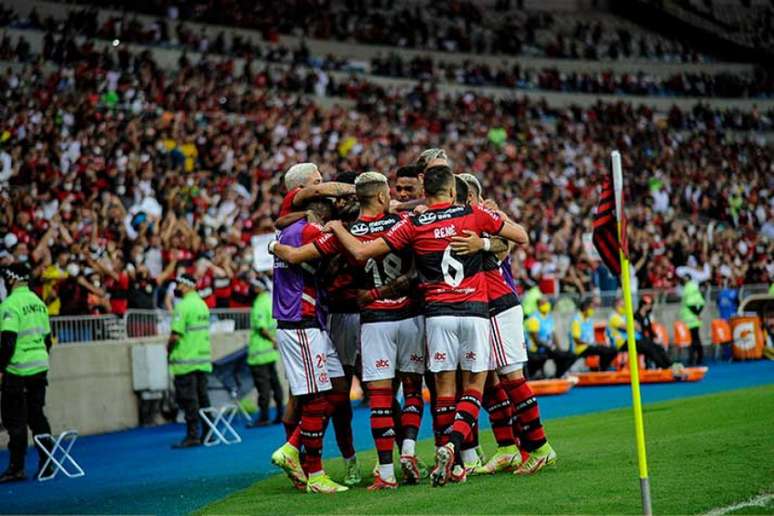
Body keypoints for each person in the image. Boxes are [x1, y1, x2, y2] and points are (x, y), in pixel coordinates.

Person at [325, 164, 530, 487]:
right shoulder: (472, 214)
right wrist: (483, 244)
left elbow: (361, 251)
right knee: (472, 386)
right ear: (451, 190)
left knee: (436, 392)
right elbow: (520, 236)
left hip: (428, 316)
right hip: (469, 311)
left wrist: (336, 227)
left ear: (424, 190)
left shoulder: (412, 223)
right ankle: (455, 450)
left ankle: (393, 469)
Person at [272, 172, 425, 490]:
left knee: (356, 392)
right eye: (327, 194)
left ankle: (392, 461)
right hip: (340, 316)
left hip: (357, 316)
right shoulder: (320, 225)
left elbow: (296, 245)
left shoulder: (340, 229)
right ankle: (342, 462)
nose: (334, 200)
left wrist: (277, 246)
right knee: (343, 396)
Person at [451, 174, 557, 475]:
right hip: (480, 309)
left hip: (497, 304)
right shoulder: (456, 220)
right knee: (489, 383)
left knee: (511, 378)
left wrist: (483, 240)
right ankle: (507, 448)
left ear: (470, 198)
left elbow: (516, 237)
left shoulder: (479, 216)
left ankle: (539, 447)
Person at [268, 198, 352, 494]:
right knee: (315, 398)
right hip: (300, 322)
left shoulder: (289, 230)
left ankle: (293, 449)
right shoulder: (309, 232)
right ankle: (315, 475)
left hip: (311, 322)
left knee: (338, 388)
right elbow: (345, 249)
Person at [0, 264, 53, 483]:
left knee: (15, 419)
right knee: (37, 415)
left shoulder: (10, 304)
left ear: (11, 280)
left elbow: (8, 342)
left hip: (17, 369)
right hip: (39, 368)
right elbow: (48, 340)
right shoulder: (39, 303)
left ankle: (16, 467)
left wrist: (1, 368)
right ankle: (47, 462)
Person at [168, 273, 212, 449]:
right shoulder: (202, 305)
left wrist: (168, 348)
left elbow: (176, 336)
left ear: (186, 286)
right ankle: (209, 433)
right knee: (203, 399)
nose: (177, 288)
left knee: (189, 401)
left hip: (186, 361)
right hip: (202, 360)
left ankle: (192, 435)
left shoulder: (183, 306)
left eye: (179, 284)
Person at [609, 297, 683, 374]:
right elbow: (629, 327)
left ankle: (670, 365)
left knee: (656, 346)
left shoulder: (624, 316)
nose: (625, 305)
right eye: (622, 303)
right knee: (648, 347)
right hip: (622, 343)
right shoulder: (614, 317)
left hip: (632, 339)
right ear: (617, 305)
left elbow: (638, 327)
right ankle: (665, 367)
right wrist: (633, 325)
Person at [246, 276, 283, 428]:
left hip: (259, 354)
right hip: (269, 353)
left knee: (264, 387)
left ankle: (264, 416)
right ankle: (281, 412)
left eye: (254, 286)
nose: (251, 290)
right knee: (275, 384)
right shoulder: (270, 301)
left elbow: (262, 328)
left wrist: (272, 340)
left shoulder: (259, 304)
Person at [525, 298, 575, 378]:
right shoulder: (534, 319)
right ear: (538, 306)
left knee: (568, 355)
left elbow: (553, 335)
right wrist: (551, 347)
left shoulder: (549, 318)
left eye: (547, 303)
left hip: (548, 348)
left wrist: (559, 349)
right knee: (558, 354)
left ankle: (559, 374)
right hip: (536, 350)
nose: (546, 305)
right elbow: (536, 340)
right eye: (543, 304)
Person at [566, 298, 618, 374]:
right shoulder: (577, 320)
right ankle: (602, 369)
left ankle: (602, 368)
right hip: (580, 348)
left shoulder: (589, 320)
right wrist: (593, 344)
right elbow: (576, 339)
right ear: (585, 307)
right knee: (605, 351)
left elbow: (591, 339)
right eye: (592, 308)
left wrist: (598, 343)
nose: (593, 310)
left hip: (589, 346)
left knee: (612, 349)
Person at [679, 271, 705, 365]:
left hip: (690, 318)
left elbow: (689, 303)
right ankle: (700, 357)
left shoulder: (688, 288)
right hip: (694, 317)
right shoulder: (695, 287)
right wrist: (698, 313)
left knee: (693, 339)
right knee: (696, 338)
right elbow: (701, 302)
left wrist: (695, 313)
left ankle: (693, 359)